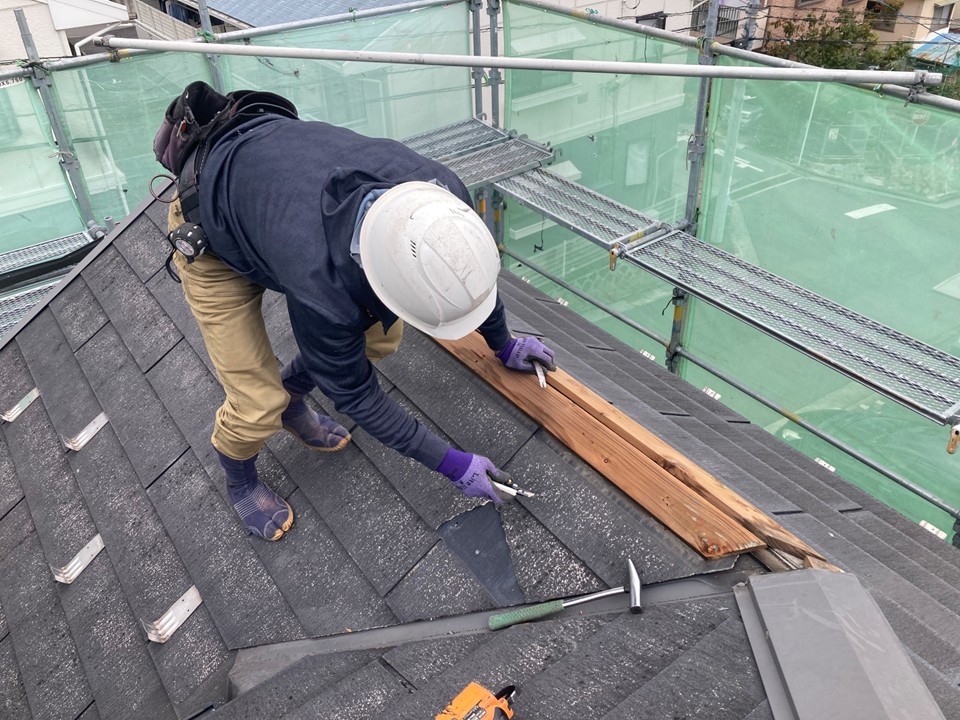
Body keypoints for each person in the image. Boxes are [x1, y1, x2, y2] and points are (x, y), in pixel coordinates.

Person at [156, 86, 555, 541]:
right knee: (256, 404)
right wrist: (451, 464)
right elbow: (358, 398)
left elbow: (465, 274)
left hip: (269, 197)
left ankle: (294, 392)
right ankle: (240, 477)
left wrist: (503, 343)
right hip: (208, 227)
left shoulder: (441, 198)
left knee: (381, 337)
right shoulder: (322, 283)